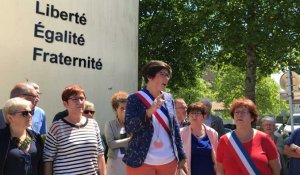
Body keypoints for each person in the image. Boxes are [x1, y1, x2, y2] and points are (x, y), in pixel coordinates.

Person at [123, 60, 186, 175]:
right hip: (141, 161)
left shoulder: (168, 98)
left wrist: (181, 154)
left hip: (169, 161)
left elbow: (175, 127)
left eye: (168, 75)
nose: (166, 78)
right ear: (149, 76)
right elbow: (129, 127)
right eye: (162, 74)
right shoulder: (134, 98)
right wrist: (149, 112)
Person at [43, 85, 106, 175]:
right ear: (65, 103)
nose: (79, 102)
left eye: (81, 98)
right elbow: (48, 159)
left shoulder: (93, 124)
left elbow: (100, 154)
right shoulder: (56, 127)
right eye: (75, 99)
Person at [216, 98, 281, 175]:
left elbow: (276, 169)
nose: (239, 115)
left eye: (243, 112)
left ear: (252, 117)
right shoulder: (224, 140)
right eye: (236, 112)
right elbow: (220, 169)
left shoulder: (265, 139)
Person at [0, 97, 44, 175]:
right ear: (10, 117)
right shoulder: (2, 138)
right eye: (25, 113)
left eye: (31, 112)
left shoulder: (36, 137)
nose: (30, 116)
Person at [179, 102, 218, 175]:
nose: (194, 116)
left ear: (204, 116)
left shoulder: (212, 133)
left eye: (197, 113)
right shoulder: (181, 133)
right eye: (191, 113)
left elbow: (217, 157)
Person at [105, 91, 131, 175]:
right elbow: (110, 144)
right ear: (116, 109)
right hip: (114, 162)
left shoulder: (133, 124)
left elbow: (136, 142)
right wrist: (129, 140)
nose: (125, 111)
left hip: (129, 161)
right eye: (122, 108)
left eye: (127, 108)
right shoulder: (110, 124)